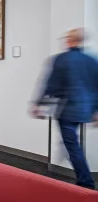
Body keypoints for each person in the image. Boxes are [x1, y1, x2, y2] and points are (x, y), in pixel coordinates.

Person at [32, 28, 98, 189]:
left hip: (68, 110)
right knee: (71, 143)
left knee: (72, 145)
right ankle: (64, 159)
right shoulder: (91, 60)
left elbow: (51, 85)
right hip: (86, 109)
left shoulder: (61, 59)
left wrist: (39, 104)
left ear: (70, 40)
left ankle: (86, 182)